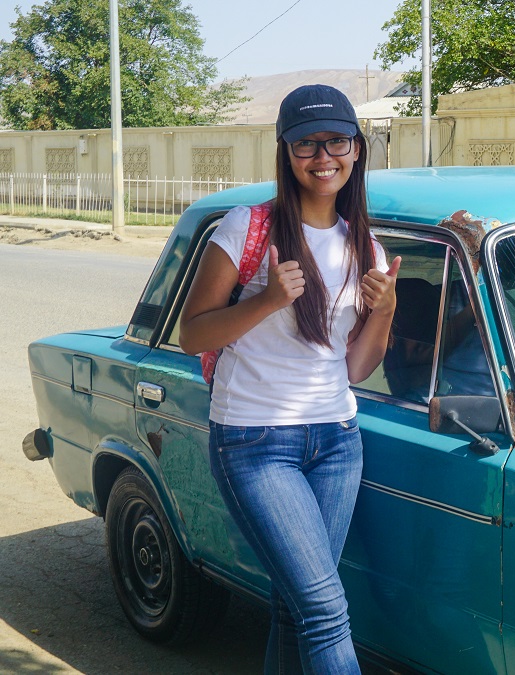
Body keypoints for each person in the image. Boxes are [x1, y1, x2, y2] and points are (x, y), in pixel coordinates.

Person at [178, 83, 400, 674]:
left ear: (356, 149)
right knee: (326, 610)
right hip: (254, 441)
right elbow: (192, 333)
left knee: (294, 608)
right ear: (286, 151)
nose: (323, 157)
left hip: (337, 441)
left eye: (336, 142)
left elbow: (356, 368)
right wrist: (268, 300)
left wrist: (385, 310)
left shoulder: (366, 247)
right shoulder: (246, 228)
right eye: (306, 143)